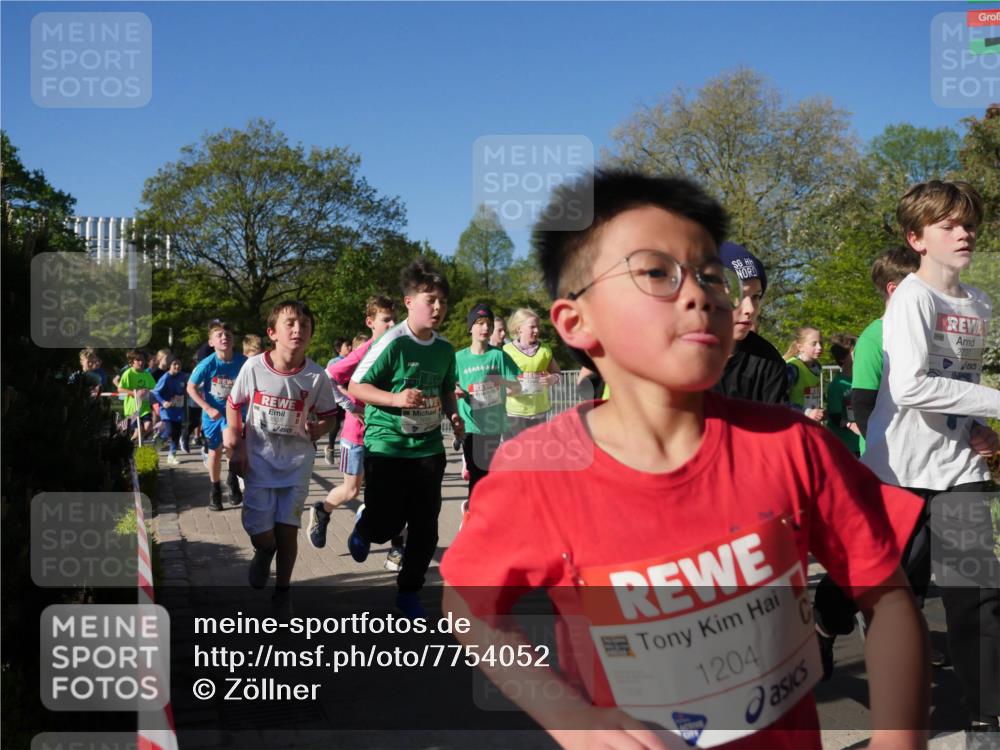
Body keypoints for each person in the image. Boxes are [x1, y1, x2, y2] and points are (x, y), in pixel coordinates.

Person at [441, 170, 928, 750]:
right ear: (577, 322)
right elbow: (467, 607)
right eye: (655, 273)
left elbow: (889, 598)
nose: (699, 293)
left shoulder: (795, 446)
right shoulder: (539, 472)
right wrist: (573, 720)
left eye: (710, 275)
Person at [863, 180, 1000, 740]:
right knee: (895, 599)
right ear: (916, 239)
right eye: (947, 225)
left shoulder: (982, 303)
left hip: (960, 473)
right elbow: (914, 386)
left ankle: (986, 718)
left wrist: (980, 427)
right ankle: (893, 715)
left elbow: (960, 383)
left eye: (967, 223)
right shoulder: (912, 299)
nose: (963, 233)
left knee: (978, 601)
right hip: (898, 473)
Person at [347, 259, 465, 619]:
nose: (438, 307)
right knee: (387, 523)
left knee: (426, 526)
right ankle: (367, 525)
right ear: (410, 301)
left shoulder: (444, 349)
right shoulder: (392, 343)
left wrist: (454, 414)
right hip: (387, 445)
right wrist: (396, 399)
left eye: (442, 301)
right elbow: (356, 386)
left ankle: (409, 592)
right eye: (430, 299)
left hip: (428, 446)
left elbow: (447, 389)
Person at [224, 300, 338, 605]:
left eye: (304, 325)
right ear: (272, 332)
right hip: (259, 463)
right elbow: (234, 405)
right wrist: (237, 446)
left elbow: (330, 415)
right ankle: (264, 550)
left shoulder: (317, 376)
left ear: (312, 334)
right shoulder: (254, 368)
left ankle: (283, 591)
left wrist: (322, 428)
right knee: (262, 533)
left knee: (289, 529)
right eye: (290, 323)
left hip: (297, 464)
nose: (298, 329)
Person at [308, 296, 400, 567]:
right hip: (357, 435)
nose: (393, 324)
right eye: (386, 320)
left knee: (392, 492)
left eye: (395, 318)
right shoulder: (365, 351)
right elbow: (330, 376)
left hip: (388, 436)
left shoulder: (401, 349)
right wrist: (352, 406)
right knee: (351, 491)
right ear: (370, 323)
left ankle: (395, 546)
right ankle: (322, 512)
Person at [851, 246, 922, 453]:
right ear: (894, 289)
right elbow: (862, 405)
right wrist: (884, 451)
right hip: (888, 462)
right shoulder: (873, 338)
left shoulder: (924, 333)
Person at [454, 302, 521, 518]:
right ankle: (475, 517)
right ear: (470, 327)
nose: (485, 328)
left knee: (487, 474)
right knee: (477, 473)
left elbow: (517, 385)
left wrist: (500, 382)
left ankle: (477, 514)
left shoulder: (498, 356)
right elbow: (447, 384)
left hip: (492, 423)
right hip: (470, 424)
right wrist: (455, 389)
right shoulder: (458, 358)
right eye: (480, 323)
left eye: (488, 324)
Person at [712, 242, 787, 404]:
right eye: (737, 295)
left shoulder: (768, 362)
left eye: (756, 297)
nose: (750, 309)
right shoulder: (672, 358)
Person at [187, 321, 247, 511]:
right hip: (213, 414)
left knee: (231, 445)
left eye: (228, 335)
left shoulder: (243, 361)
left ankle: (232, 479)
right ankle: (215, 489)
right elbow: (191, 387)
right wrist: (206, 407)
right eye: (219, 335)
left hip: (235, 412)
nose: (224, 338)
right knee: (215, 451)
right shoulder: (207, 364)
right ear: (211, 342)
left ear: (233, 340)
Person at [502, 308, 561, 438]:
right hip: (514, 413)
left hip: (539, 412)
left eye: (538, 327)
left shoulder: (545, 349)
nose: (537, 330)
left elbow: (557, 373)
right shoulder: (506, 351)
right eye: (532, 327)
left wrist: (552, 379)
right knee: (516, 455)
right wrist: (504, 389)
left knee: (536, 454)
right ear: (519, 329)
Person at [825, 334, 860, 457]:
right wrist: (851, 425)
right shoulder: (836, 386)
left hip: (863, 443)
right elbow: (835, 417)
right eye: (856, 352)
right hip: (846, 447)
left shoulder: (863, 379)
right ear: (843, 359)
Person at [152, 356, 188, 465]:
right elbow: (155, 392)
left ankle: (172, 455)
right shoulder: (165, 378)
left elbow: (186, 388)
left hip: (178, 410)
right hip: (167, 411)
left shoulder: (182, 376)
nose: (177, 366)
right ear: (169, 366)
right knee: (169, 431)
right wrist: (163, 402)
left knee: (176, 434)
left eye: (179, 364)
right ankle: (157, 444)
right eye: (174, 364)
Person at [784, 327, 825, 422]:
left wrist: (819, 411)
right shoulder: (792, 368)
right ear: (800, 347)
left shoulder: (817, 367)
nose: (820, 347)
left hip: (809, 424)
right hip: (793, 423)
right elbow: (779, 400)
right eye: (814, 344)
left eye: (821, 343)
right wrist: (807, 412)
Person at [120, 349, 156, 442]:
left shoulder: (147, 374)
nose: (141, 362)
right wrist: (134, 393)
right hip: (133, 409)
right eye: (138, 360)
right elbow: (120, 389)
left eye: (143, 360)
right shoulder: (128, 373)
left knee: (148, 427)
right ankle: (128, 444)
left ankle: (133, 443)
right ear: (132, 362)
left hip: (145, 408)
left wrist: (148, 391)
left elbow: (154, 388)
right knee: (138, 430)